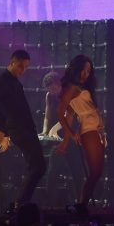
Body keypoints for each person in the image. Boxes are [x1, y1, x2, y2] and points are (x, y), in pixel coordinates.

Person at [0, 50, 46, 208]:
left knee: (37, 166)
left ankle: (21, 203)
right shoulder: (2, 81)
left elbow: (3, 111)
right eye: (20, 66)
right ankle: (20, 203)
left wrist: (4, 133)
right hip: (19, 129)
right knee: (38, 166)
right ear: (12, 62)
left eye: (26, 67)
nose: (23, 70)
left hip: (24, 129)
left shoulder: (15, 82)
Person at [56, 55, 106, 214]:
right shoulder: (71, 88)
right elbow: (60, 113)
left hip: (96, 131)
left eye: (88, 71)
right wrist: (70, 135)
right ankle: (81, 205)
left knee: (97, 172)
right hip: (89, 131)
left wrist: (68, 137)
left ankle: (81, 205)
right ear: (76, 69)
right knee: (95, 172)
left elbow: (70, 114)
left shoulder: (80, 88)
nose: (86, 74)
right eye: (83, 70)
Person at [40, 71, 82, 206]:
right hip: (58, 139)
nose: (52, 92)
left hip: (72, 136)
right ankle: (49, 204)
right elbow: (47, 116)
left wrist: (54, 128)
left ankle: (81, 202)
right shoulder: (49, 96)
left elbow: (68, 115)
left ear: (60, 85)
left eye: (54, 89)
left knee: (77, 172)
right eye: (50, 90)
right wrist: (45, 131)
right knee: (53, 172)